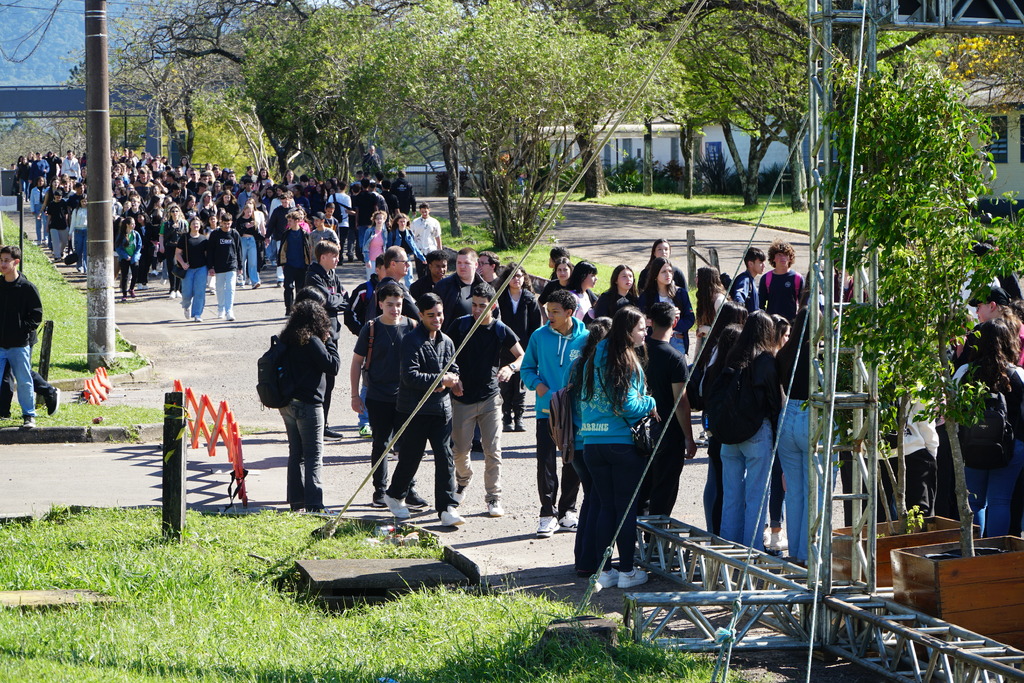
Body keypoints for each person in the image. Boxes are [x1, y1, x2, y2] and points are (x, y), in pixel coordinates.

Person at [577, 306, 657, 591]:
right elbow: (629, 406)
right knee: (625, 509)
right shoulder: (628, 361)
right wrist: (651, 402)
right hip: (621, 444)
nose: (645, 332)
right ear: (627, 331)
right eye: (641, 329)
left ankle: (605, 571)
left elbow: (583, 400)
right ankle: (626, 571)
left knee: (604, 507)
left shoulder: (591, 360)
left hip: (592, 442)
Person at [382, 293, 466, 528]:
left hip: (442, 411)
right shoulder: (410, 340)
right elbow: (410, 376)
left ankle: (447, 507)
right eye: (431, 316)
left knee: (445, 457)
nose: (437, 319)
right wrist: (443, 380)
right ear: (421, 315)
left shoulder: (447, 341)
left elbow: (454, 367)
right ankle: (395, 494)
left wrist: (456, 380)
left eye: (439, 314)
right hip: (414, 410)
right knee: (411, 458)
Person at [449, 282, 524, 518]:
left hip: (491, 398)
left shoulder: (501, 330)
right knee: (460, 452)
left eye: (483, 306)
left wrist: (511, 368)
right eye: (475, 305)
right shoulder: (460, 325)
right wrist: (453, 376)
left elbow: (522, 355)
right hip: (462, 398)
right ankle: (463, 480)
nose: (478, 310)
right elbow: (444, 351)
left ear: (493, 306)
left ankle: (493, 497)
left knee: (493, 451)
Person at [710, 311, 783, 552]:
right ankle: (752, 549)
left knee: (731, 496)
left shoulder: (732, 355)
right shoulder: (766, 361)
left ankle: (728, 550)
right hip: (756, 431)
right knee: (756, 496)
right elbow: (774, 402)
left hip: (729, 434)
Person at [521, 289, 587, 537]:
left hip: (575, 411)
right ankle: (547, 514)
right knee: (546, 462)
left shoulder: (586, 337)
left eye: (555, 312)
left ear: (570, 312)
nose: (549, 315)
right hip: (546, 410)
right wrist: (541, 389)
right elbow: (527, 369)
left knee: (572, 460)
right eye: (548, 310)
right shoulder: (539, 336)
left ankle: (568, 510)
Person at [350, 282, 423, 507]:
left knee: (409, 445)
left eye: (399, 304)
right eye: (390, 304)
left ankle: (407, 488)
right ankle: (379, 491)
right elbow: (356, 362)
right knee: (381, 444)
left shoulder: (412, 326)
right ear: (380, 304)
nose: (395, 309)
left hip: (407, 396)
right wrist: (355, 395)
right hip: (378, 395)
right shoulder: (370, 328)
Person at [955, 318, 1024, 537]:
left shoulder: (965, 371)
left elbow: (951, 409)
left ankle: (974, 552)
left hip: (972, 445)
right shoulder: (1018, 375)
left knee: (975, 503)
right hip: (1011, 447)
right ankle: (994, 555)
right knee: (1000, 501)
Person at [278, 299, 341, 513]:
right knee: (314, 455)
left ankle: (296, 502)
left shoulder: (287, 338)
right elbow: (333, 366)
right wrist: (329, 340)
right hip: (309, 404)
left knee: (296, 453)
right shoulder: (312, 340)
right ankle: (315, 505)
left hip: (287, 404)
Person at [640, 302, 698, 516]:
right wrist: (689, 437)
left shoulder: (637, 351)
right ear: (674, 322)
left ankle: (636, 536)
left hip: (636, 429)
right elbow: (681, 401)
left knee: (641, 486)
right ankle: (655, 541)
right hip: (667, 432)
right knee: (664, 489)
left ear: (650, 322)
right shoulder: (674, 357)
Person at [304, 240, 349, 439]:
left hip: (333, 332)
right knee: (319, 381)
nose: (337, 259)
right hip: (319, 333)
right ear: (323, 257)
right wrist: (337, 299)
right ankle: (314, 424)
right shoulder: (313, 275)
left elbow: (344, 299)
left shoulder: (332, 274)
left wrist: (337, 299)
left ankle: (324, 424)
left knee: (330, 381)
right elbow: (328, 300)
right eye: (334, 256)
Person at [0, 245, 44, 429]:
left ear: (16, 262)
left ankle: (29, 415)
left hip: (19, 345)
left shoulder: (26, 287)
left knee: (24, 381)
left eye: (6, 260)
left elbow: (36, 314)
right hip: (0, 345)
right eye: (1, 260)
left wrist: (22, 330)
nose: (3, 264)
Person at [497, 263, 542, 432]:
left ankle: (519, 417)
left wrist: (532, 347)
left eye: (520, 276)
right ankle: (507, 417)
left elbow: (535, 325)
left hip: (524, 348)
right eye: (513, 276)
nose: (517, 279)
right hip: (504, 347)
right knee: (506, 384)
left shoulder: (529, 298)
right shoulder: (500, 297)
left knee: (520, 386)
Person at [638, 257, 695, 356]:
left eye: (670, 271)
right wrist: (646, 321)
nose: (668, 274)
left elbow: (690, 319)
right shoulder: (646, 296)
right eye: (663, 272)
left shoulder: (681, 293)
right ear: (655, 275)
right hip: (655, 341)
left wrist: (671, 324)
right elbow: (639, 319)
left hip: (677, 340)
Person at [433, 247, 488, 332]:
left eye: (466, 263)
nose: (462, 266)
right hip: (452, 340)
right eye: (459, 263)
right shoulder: (443, 286)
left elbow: (495, 316)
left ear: (476, 265)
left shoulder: (486, 288)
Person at [207, 211, 243, 321]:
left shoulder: (234, 234)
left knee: (231, 288)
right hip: (218, 266)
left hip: (231, 265)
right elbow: (210, 251)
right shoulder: (215, 234)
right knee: (220, 288)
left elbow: (239, 250)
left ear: (231, 223)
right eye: (225, 223)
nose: (227, 226)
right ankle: (221, 308)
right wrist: (210, 267)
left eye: (229, 223)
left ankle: (229, 310)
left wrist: (240, 266)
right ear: (221, 222)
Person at [278, 209, 314, 315]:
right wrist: (283, 262)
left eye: (290, 221)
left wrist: (309, 263)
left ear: (297, 221)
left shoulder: (305, 234)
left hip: (302, 265)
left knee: (300, 289)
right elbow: (282, 249)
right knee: (288, 287)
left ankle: (299, 309)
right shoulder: (286, 234)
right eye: (288, 221)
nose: (288, 223)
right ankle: (289, 308)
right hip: (289, 265)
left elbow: (309, 249)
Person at [759, 239, 802, 322]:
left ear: (790, 258)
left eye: (786, 255)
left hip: (791, 324)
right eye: (779, 254)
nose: (783, 258)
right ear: (773, 258)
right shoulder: (766, 278)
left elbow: (803, 304)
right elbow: (761, 304)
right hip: (772, 323)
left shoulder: (797, 278)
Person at [175, 217, 209, 322]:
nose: (195, 225)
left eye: (197, 224)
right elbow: (177, 253)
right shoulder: (184, 238)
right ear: (190, 225)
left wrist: (211, 267)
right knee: (187, 292)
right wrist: (183, 263)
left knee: (199, 292)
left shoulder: (204, 239)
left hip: (201, 268)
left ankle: (197, 314)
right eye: (193, 224)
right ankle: (186, 306)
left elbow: (207, 254)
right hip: (188, 269)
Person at [695, 266, 728, 354]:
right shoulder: (705, 300)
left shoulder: (720, 301)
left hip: (718, 350)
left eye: (698, 276)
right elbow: (700, 335)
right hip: (706, 349)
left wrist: (705, 329)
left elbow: (725, 331)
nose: (696, 280)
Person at [234, 201, 264, 289]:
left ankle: (255, 281)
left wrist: (264, 238)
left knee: (253, 262)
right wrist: (244, 227)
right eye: (247, 212)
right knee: (242, 260)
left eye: (250, 212)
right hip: (243, 240)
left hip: (252, 240)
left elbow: (256, 233)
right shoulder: (240, 220)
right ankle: (241, 279)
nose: (249, 214)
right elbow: (238, 232)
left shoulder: (253, 220)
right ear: (244, 211)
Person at [410, 203, 442, 279]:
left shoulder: (434, 222)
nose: (424, 213)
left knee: (430, 270)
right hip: (419, 249)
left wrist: (439, 249)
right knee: (420, 271)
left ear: (429, 211)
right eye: (422, 211)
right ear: (420, 212)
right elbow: (411, 236)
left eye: (426, 211)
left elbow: (437, 236)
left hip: (431, 249)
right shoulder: (415, 222)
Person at [730, 246, 766, 313]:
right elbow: (738, 299)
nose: (764, 265)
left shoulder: (750, 279)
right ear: (750, 264)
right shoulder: (744, 279)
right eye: (761, 262)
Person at [114, 217, 142, 302]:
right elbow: (118, 247)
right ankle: (124, 293)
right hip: (124, 258)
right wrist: (126, 256)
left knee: (135, 274)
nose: (134, 225)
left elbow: (139, 246)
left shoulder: (136, 234)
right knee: (124, 276)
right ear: (127, 225)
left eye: (134, 224)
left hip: (134, 258)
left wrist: (134, 256)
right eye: (132, 224)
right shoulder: (121, 235)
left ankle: (132, 289)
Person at [362, 210, 390, 279]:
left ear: (384, 220)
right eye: (377, 218)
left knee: (382, 279)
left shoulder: (385, 232)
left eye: (381, 218)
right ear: (374, 220)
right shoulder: (369, 231)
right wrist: (367, 260)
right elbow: (365, 247)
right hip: (371, 260)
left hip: (381, 260)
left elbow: (385, 246)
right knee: (371, 279)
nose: (379, 220)